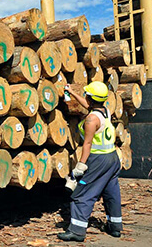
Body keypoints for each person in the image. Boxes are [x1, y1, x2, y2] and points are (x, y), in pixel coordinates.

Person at [58, 81, 122, 242]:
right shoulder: (105, 110)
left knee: (82, 194)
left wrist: (80, 166)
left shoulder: (91, 120)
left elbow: (87, 144)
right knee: (111, 192)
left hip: (98, 159)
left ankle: (77, 231)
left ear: (91, 97)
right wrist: (72, 92)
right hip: (112, 158)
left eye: (87, 94)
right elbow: (88, 104)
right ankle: (115, 227)